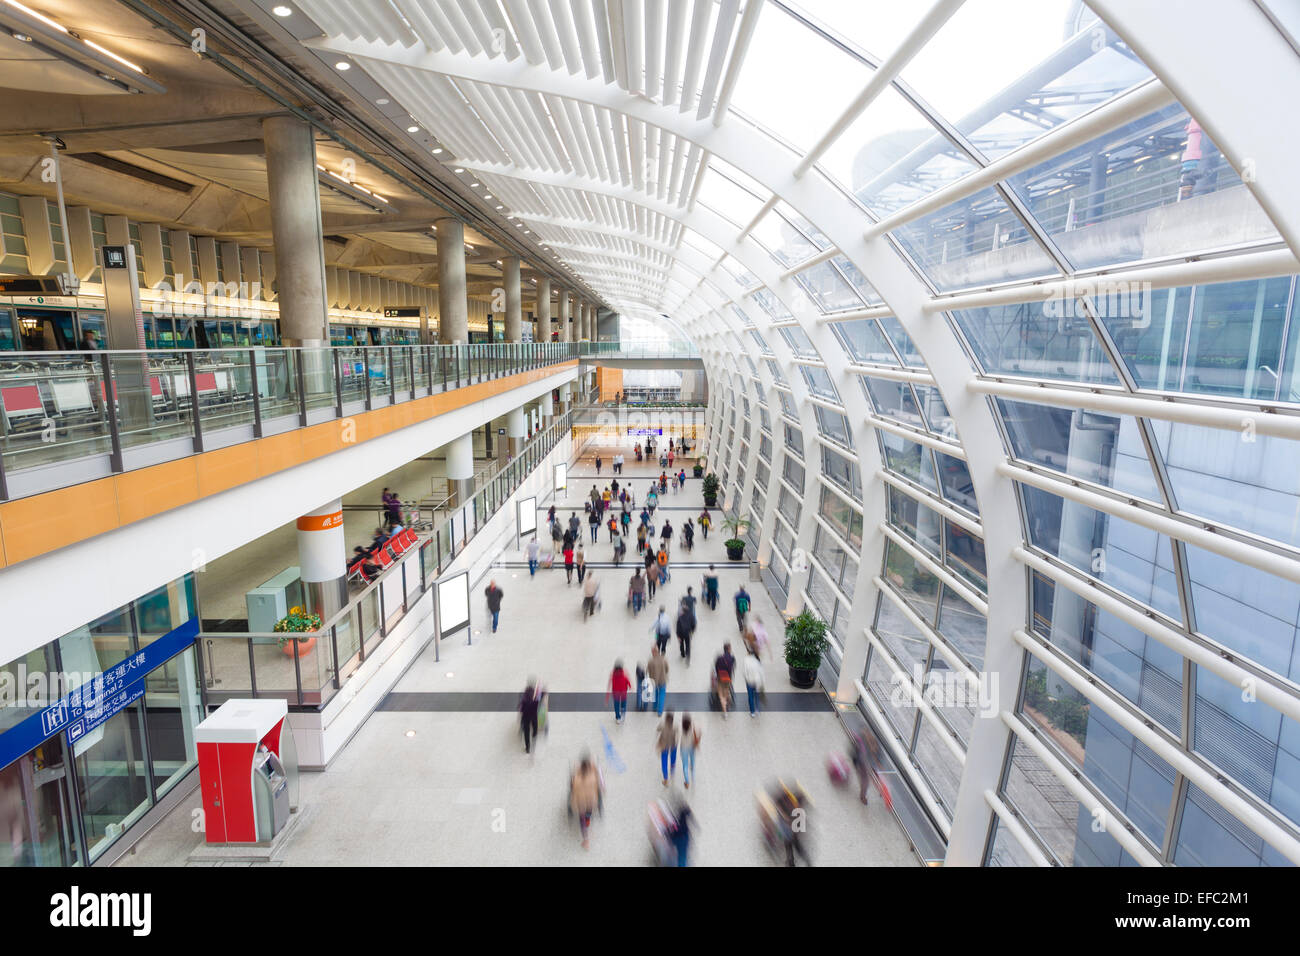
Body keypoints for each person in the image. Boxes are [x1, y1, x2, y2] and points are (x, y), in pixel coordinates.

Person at [569, 754, 603, 850]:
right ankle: (588, 818)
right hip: (591, 800)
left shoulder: (577, 779)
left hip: (581, 803)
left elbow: (572, 788)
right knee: (589, 811)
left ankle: (586, 840)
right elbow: (599, 783)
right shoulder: (593, 776)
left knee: (582, 819)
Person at [850, 729, 883, 807]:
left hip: (865, 761)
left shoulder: (874, 746)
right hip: (860, 761)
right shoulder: (862, 743)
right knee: (865, 781)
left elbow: (875, 757)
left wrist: (877, 762)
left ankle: (880, 790)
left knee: (873, 776)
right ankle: (862, 796)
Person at [519, 679, 544, 754]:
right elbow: (539, 703)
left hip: (526, 716)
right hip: (533, 715)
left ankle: (528, 748)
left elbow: (521, 709)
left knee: (526, 732)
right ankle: (535, 733)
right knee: (534, 724)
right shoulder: (536, 697)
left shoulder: (524, 698)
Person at [655, 710, 679, 785]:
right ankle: (672, 771)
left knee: (664, 762)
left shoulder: (662, 724)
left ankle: (665, 779)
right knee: (673, 759)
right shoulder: (675, 725)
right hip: (673, 745)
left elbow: (657, 729)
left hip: (664, 745)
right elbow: (678, 735)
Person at [713, 643, 736, 719]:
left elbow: (716, 668)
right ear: (729, 649)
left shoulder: (719, 658)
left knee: (721, 696)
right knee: (726, 692)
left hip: (720, 678)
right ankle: (728, 702)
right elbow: (733, 668)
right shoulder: (732, 658)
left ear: (724, 649)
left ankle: (725, 713)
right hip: (728, 679)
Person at [680, 714, 701, 790]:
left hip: (684, 749)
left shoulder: (681, 730)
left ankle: (687, 782)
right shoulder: (693, 730)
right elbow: (698, 735)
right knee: (692, 762)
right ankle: (693, 777)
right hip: (692, 748)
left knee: (685, 766)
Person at [647, 644, 669, 716]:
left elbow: (648, 671)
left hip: (654, 681)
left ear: (653, 652)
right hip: (662, 680)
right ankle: (659, 712)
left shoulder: (650, 661)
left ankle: (654, 707)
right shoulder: (663, 659)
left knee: (655, 694)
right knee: (662, 695)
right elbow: (667, 668)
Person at [743, 647, 764, 717]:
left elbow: (745, 672)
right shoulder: (757, 661)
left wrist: (746, 678)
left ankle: (752, 712)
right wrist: (762, 681)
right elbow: (761, 672)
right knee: (757, 695)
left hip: (749, 681)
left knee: (750, 696)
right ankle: (758, 709)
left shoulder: (746, 661)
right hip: (757, 681)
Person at [676, 600, 696, 664]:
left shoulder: (680, 617)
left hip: (681, 633)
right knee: (688, 645)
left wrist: (678, 636)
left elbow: (678, 627)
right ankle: (688, 656)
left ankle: (682, 654)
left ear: (683, 611)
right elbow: (693, 625)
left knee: (681, 644)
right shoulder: (691, 616)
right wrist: (692, 631)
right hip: (688, 633)